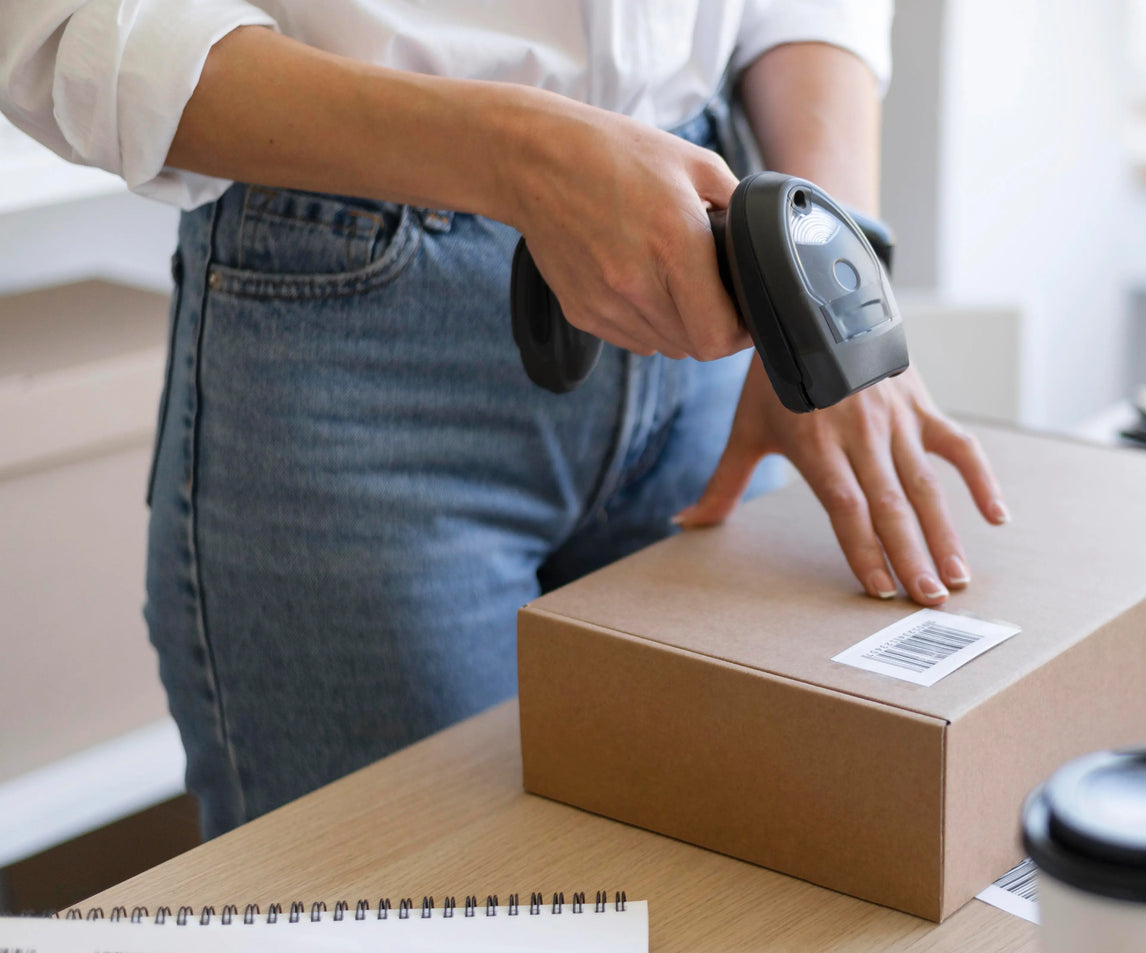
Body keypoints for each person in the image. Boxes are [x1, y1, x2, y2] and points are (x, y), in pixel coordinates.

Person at [0, 1, 1008, 837]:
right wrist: (522, 155)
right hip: (359, 318)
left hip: (712, 269)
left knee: (716, 920)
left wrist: (834, 276)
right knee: (403, 942)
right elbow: (60, 24)